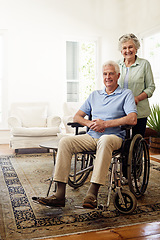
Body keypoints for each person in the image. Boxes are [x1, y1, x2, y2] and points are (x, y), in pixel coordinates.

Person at [32, 61, 137, 209]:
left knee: (105, 140)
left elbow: (132, 118)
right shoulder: (95, 95)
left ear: (118, 76)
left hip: (113, 137)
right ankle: (59, 195)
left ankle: (92, 193)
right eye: (105, 74)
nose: (108, 77)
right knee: (65, 142)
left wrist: (105, 124)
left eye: (111, 73)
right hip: (91, 136)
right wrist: (90, 124)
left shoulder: (126, 94)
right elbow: (77, 117)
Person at [118, 33, 155, 137]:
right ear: (121, 51)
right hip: (120, 111)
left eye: (130, 47)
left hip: (139, 111)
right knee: (121, 142)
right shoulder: (116, 65)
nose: (127, 50)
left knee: (136, 141)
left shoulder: (144, 64)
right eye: (124, 48)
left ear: (136, 48)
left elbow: (151, 87)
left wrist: (137, 98)